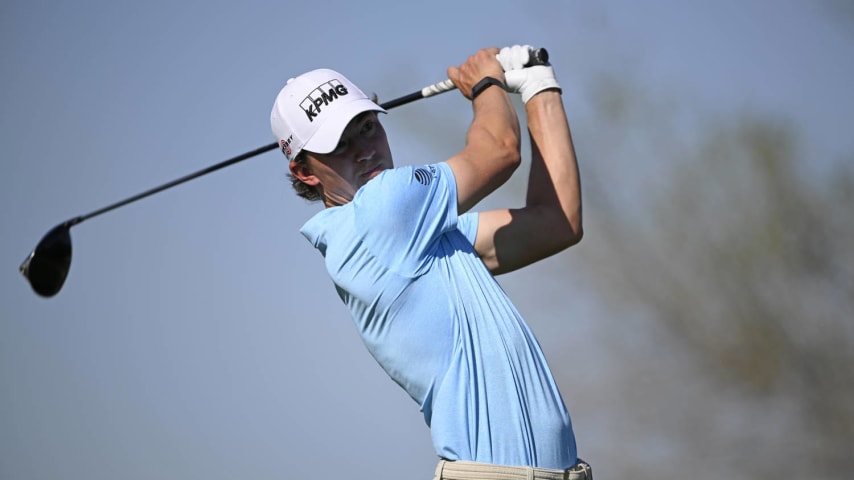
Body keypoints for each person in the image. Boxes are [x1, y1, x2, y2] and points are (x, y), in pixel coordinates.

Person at [270, 45, 591, 480]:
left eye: (367, 128)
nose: (364, 150)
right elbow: (499, 150)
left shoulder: (419, 236)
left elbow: (557, 222)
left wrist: (540, 87)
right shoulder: (381, 211)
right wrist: (485, 82)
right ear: (306, 172)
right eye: (340, 146)